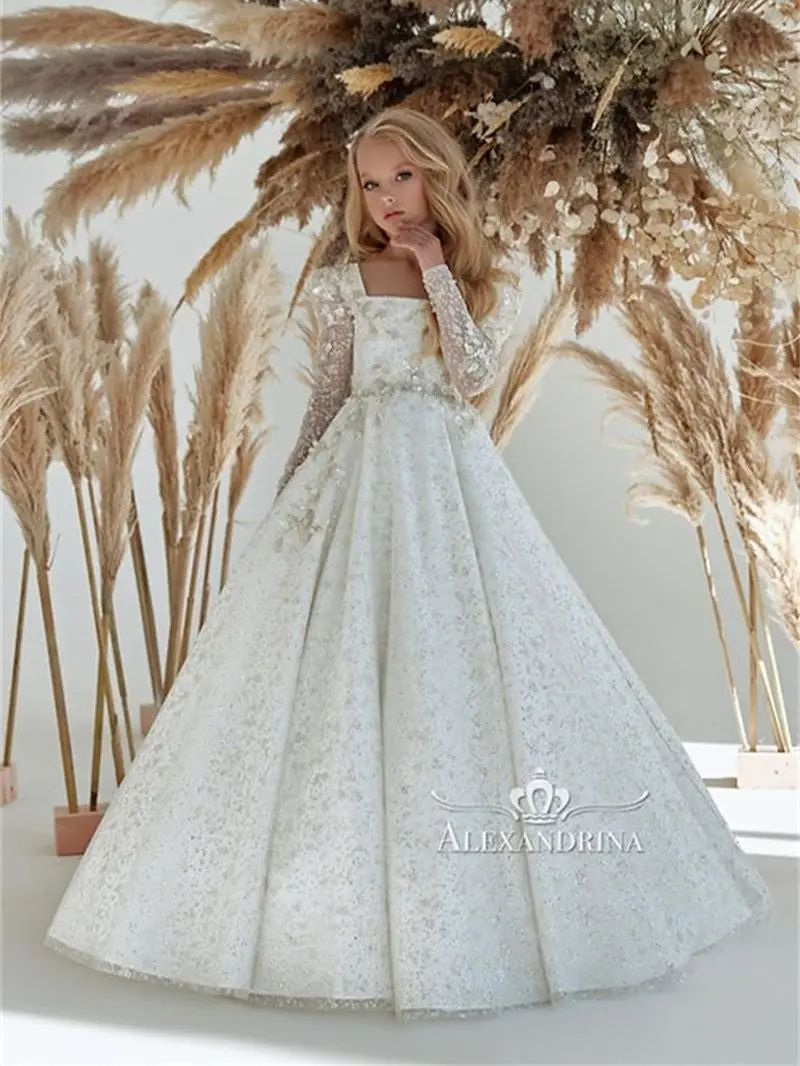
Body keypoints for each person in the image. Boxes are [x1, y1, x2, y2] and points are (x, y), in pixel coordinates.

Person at [44, 106, 772, 1021]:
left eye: (404, 178)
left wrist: (435, 271)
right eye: (371, 183)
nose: (388, 199)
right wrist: (290, 501)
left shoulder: (466, 277)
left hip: (445, 480)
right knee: (339, 660)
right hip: (355, 473)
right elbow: (328, 395)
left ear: (437, 177)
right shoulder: (348, 281)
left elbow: (470, 378)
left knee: (460, 651)